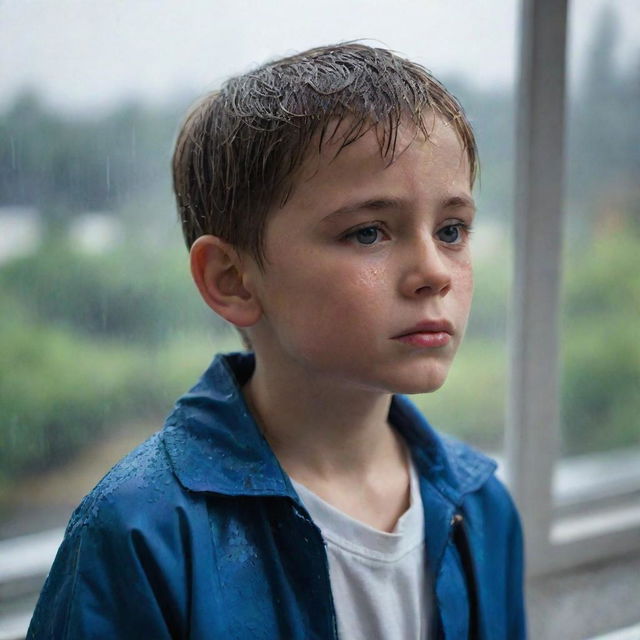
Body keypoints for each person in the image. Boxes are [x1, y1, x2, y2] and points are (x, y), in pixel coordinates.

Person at [27, 43, 526, 639]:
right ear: (232, 280)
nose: (434, 271)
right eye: (368, 232)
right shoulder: (140, 534)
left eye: (451, 230)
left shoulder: (482, 508)